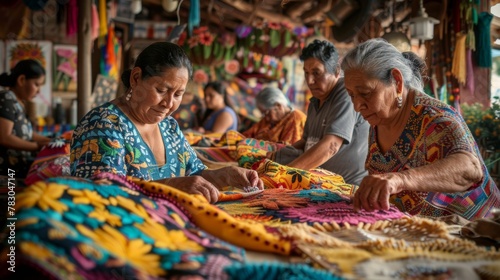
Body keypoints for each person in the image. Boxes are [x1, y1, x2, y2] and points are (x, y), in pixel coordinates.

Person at [70, 42, 263, 203]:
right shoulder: (103, 124)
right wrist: (171, 186)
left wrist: (226, 175)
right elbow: (100, 192)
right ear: (136, 78)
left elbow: (193, 173)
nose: (169, 104)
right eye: (161, 90)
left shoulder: (168, 126)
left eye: (178, 94)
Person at [341, 38, 500, 220]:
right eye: (351, 95)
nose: (357, 106)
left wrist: (401, 179)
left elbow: (470, 169)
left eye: (366, 93)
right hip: (419, 234)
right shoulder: (378, 122)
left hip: (476, 233)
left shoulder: (435, 119)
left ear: (397, 81)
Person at [268, 39, 369, 186]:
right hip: (318, 182)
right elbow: (306, 141)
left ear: (336, 71)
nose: (310, 80)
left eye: (316, 73)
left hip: (345, 187)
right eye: (306, 73)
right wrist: (276, 158)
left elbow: (331, 146)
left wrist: (285, 174)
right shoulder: (315, 101)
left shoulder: (345, 93)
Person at [0, 59, 52, 178]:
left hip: (16, 169)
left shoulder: (19, 103)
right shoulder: (6, 99)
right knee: (12, 197)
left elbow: (27, 133)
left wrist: (50, 141)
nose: (38, 91)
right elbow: (4, 137)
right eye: (36, 84)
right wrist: (37, 146)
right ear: (21, 80)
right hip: (6, 172)